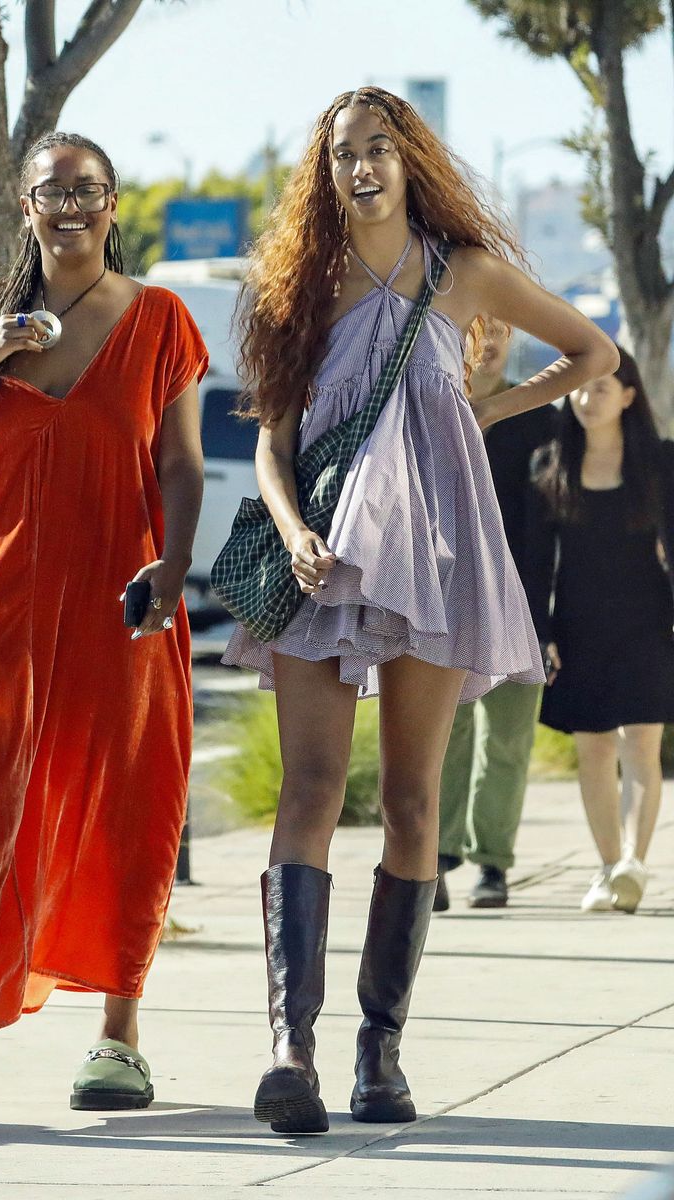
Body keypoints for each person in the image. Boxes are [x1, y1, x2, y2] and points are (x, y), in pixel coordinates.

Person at [220, 87, 618, 1135]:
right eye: (344, 152)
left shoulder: (467, 274)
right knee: (307, 789)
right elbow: (271, 440)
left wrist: (496, 404)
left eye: (379, 149)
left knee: (410, 804)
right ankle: (290, 1051)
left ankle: (377, 1052)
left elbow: (594, 354)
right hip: (323, 561)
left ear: (409, 162)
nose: (361, 166)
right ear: (326, 172)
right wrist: (293, 528)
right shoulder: (295, 286)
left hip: (436, 556)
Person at [0, 132, 208, 1125]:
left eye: (89, 191)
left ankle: (120, 1038)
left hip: (121, 598)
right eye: (53, 192)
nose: (72, 207)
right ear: (25, 206)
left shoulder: (161, 319)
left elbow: (182, 464)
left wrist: (173, 565)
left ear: (113, 205)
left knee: (122, 798)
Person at [525, 346, 674, 915]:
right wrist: (541, 631)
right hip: (579, 620)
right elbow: (537, 561)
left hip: (647, 618)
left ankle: (635, 862)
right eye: (581, 388)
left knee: (641, 741)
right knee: (592, 746)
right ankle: (608, 866)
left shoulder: (659, 464)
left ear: (629, 397)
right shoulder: (550, 464)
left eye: (602, 388)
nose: (588, 399)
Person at [434, 319, 556, 911]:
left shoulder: (537, 417)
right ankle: (430, 859)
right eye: (474, 329)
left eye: (499, 331)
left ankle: (492, 864)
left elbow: (548, 529)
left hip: (519, 600)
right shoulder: (431, 404)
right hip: (438, 595)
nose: (486, 344)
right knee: (439, 734)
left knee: (505, 736)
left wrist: (546, 621)